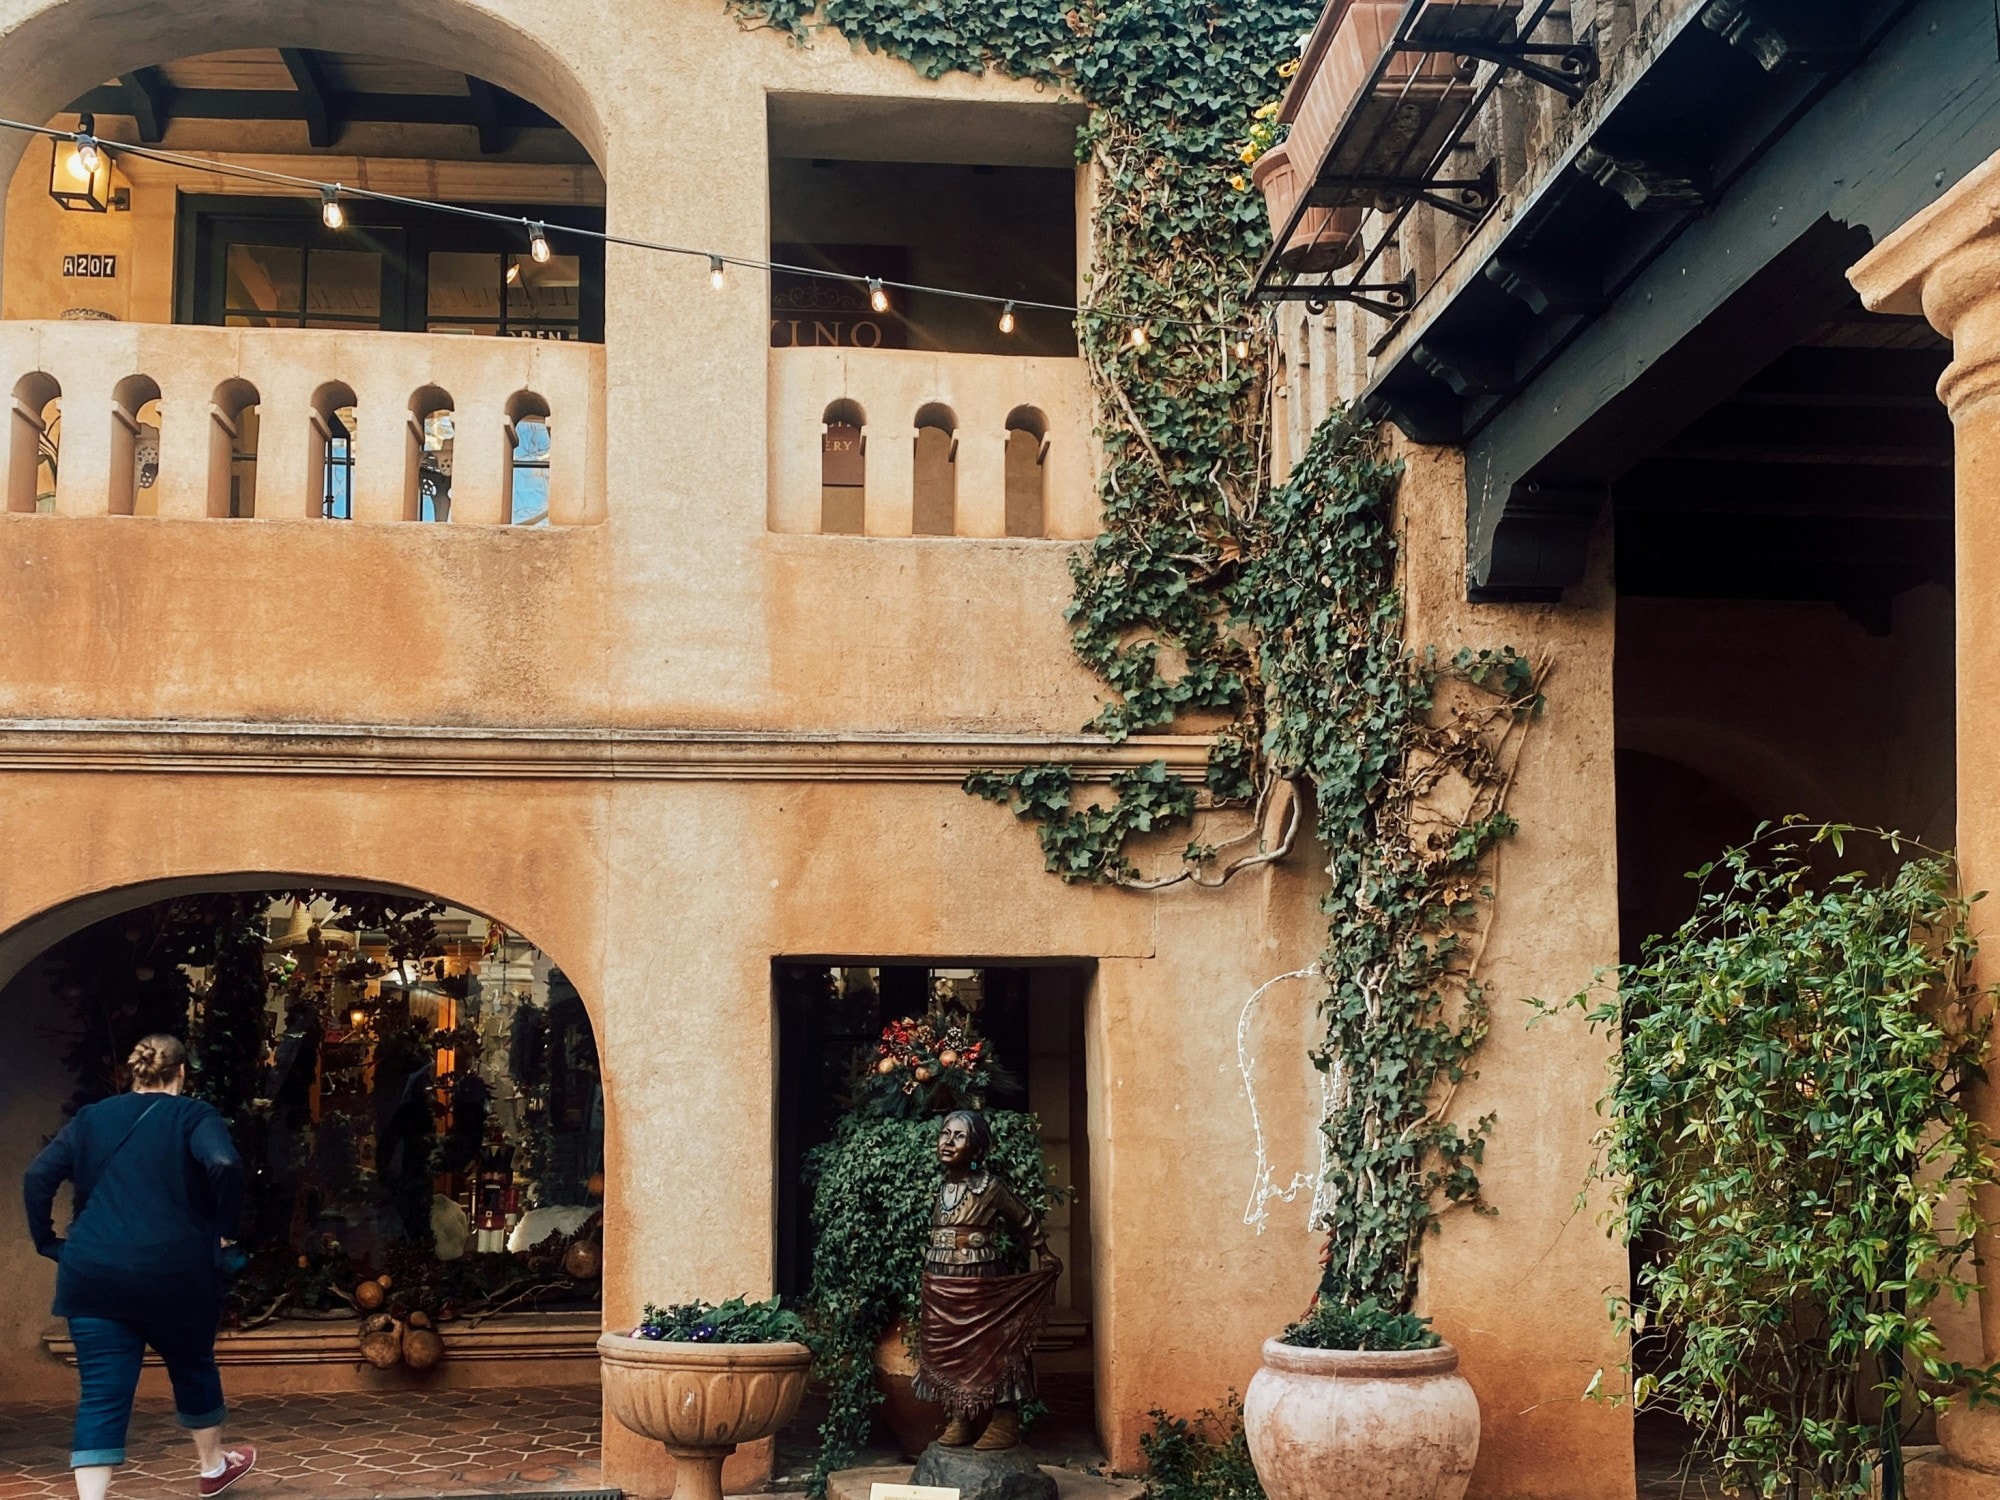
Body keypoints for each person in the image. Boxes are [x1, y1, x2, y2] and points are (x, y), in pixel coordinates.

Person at [22, 1034, 256, 1500]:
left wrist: (48, 1240)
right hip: (176, 1275)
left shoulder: (90, 1119)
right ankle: (212, 1468)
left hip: (93, 1275)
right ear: (182, 1073)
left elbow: (37, 1175)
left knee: (103, 1395)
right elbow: (225, 1163)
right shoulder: (194, 1115)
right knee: (193, 1368)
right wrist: (226, 1232)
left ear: (133, 1072)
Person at [913, 1108, 1061, 1452]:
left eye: (959, 1136)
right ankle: (961, 1417)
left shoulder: (990, 1187)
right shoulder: (942, 1188)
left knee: (991, 1344)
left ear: (977, 1149)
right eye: (945, 1134)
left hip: (979, 1274)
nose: (948, 1142)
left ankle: (1005, 1420)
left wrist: (1043, 1252)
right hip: (940, 1276)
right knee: (948, 1345)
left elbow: (1023, 1218)